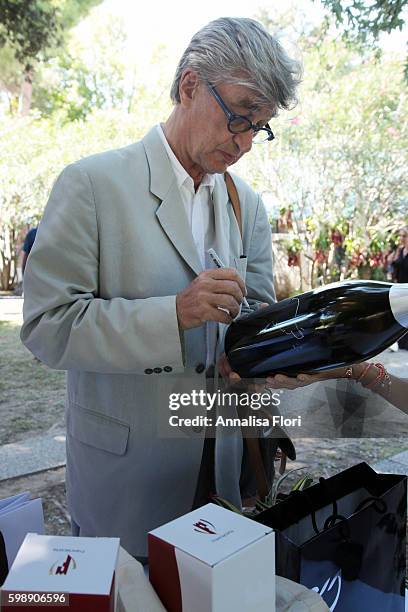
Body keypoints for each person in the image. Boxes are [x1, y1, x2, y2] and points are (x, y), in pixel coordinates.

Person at [20, 17, 302, 560]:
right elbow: (46, 326)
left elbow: (256, 317)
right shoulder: (92, 185)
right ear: (190, 85)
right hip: (125, 479)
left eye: (258, 126)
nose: (244, 142)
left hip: (219, 478)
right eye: (239, 116)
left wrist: (275, 347)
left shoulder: (248, 204)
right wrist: (174, 314)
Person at [390, 227, 408, 349]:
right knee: (401, 314)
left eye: (404, 236)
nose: (401, 238)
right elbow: (393, 266)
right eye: (400, 236)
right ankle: (402, 343)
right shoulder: (399, 251)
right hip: (400, 288)